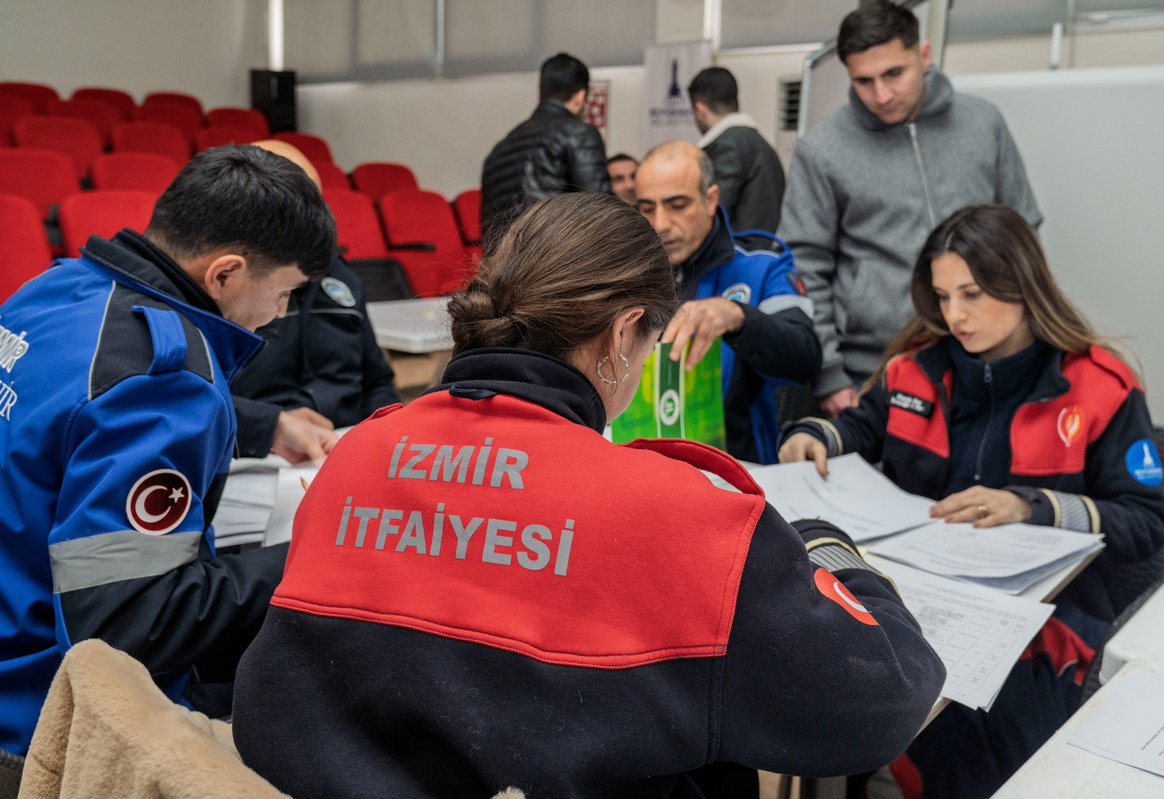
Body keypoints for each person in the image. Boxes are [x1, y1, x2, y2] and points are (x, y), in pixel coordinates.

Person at [232, 192, 945, 798]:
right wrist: (827, 545)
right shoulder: (674, 509)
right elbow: (883, 701)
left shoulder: (359, 454)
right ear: (625, 330)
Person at [779, 204, 1164, 798]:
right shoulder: (915, 371)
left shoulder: (1099, 385)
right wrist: (815, 436)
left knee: (983, 737)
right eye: (941, 296)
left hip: (1050, 623)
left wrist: (1032, 505)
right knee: (843, 685)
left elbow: (1146, 523)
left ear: (1021, 285)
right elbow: (862, 426)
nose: (954, 316)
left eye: (972, 294)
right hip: (920, 595)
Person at [0, 145, 337, 757]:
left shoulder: (55, 290)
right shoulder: (167, 375)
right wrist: (324, 550)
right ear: (225, 273)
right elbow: (126, 622)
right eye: (286, 291)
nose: (283, 313)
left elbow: (74, 409)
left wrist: (261, 425)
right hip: (40, 720)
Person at [777, 0, 1041, 421]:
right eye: (864, 81)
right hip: (876, 371)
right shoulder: (822, 150)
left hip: (990, 363)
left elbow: (1022, 233)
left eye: (893, 74)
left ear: (923, 55)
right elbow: (804, 267)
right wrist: (830, 376)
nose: (881, 95)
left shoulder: (983, 123)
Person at [634, 140, 821, 464]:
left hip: (737, 465)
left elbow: (804, 356)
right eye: (647, 208)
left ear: (710, 200)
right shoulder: (628, 269)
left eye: (677, 205)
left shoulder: (762, 265)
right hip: (642, 463)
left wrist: (738, 317)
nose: (660, 224)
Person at [230, 139, 400, 462]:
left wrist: (386, 442)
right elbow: (194, 403)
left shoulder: (342, 280)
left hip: (344, 450)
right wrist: (270, 426)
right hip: (258, 456)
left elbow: (377, 382)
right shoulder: (227, 288)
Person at [480, 52, 610, 246]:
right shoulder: (578, 132)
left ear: (539, 96)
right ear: (581, 97)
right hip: (555, 263)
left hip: (504, 269)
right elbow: (601, 211)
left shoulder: (499, 149)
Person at [687, 66, 786, 233]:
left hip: (741, 254)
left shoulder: (728, 146)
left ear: (700, 110)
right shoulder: (755, 141)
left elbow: (713, 214)